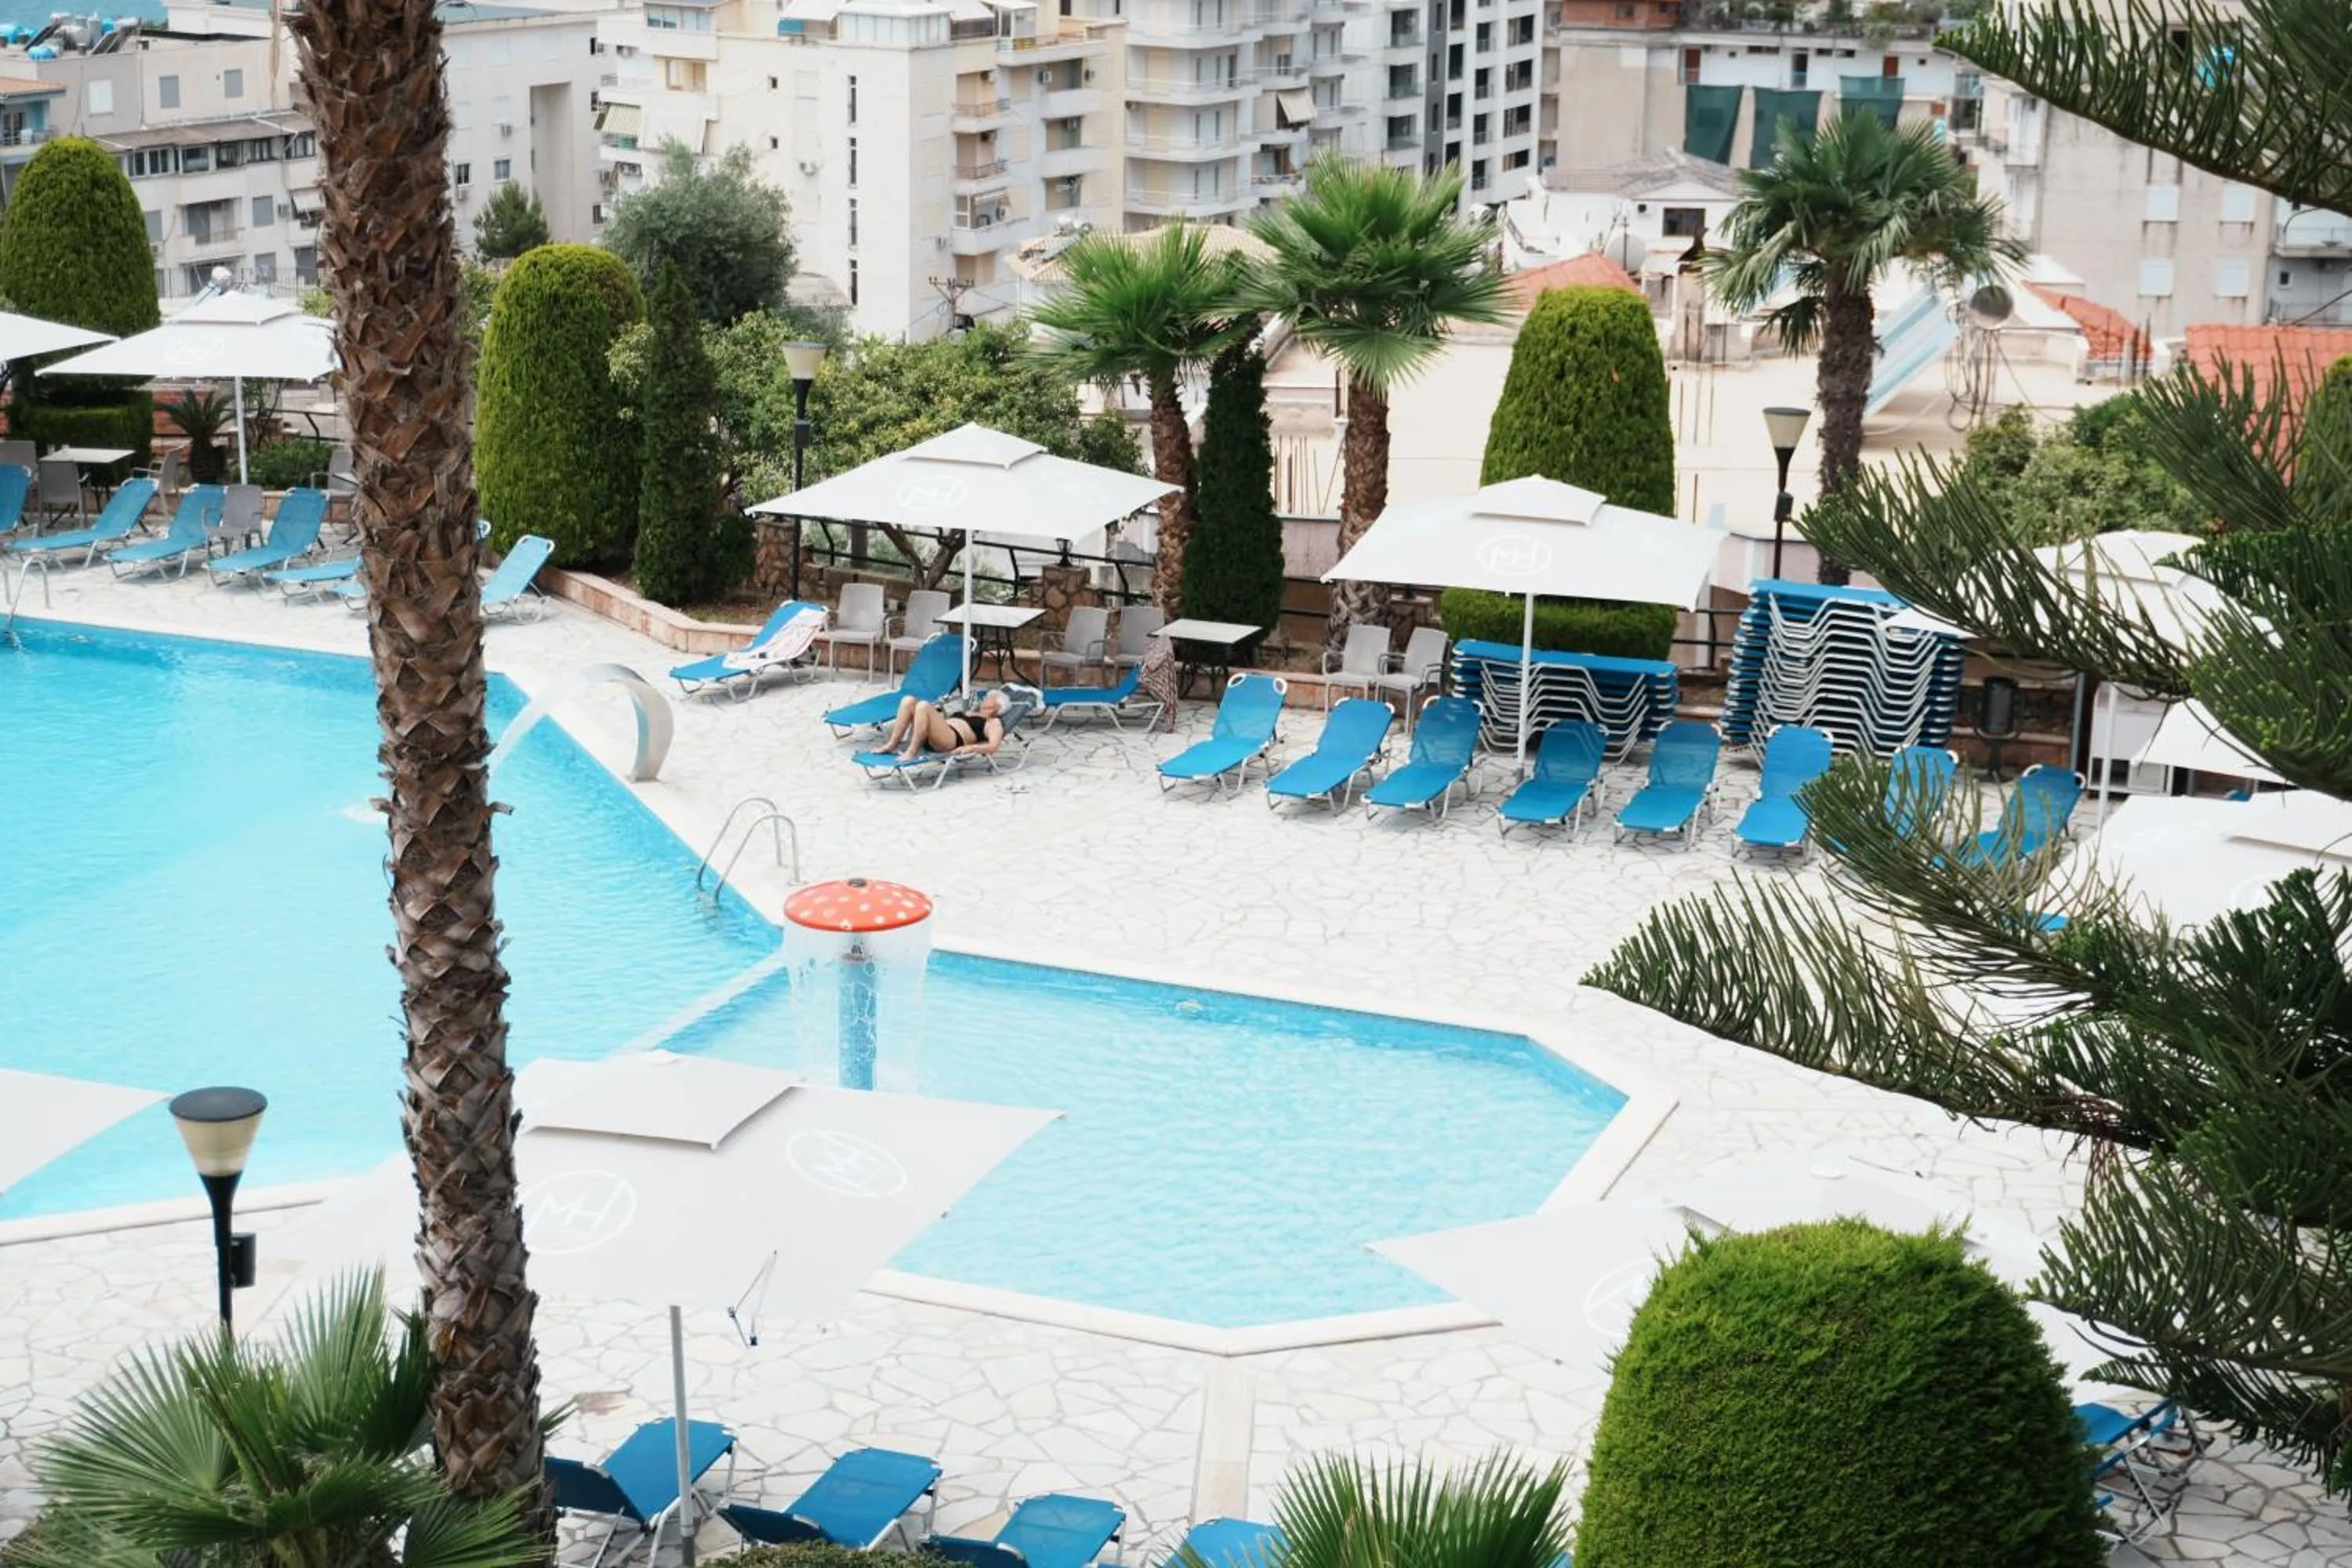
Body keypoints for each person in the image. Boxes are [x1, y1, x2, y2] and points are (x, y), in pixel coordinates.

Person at [880, 688, 1007, 761]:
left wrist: (971, 748)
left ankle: (912, 752)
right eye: (988, 696)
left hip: (951, 740)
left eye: (992, 697)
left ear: (998, 706)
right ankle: (892, 744)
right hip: (934, 733)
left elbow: (993, 746)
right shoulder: (970, 712)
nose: (987, 698)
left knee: (923, 706)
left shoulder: (993, 722)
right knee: (908, 700)